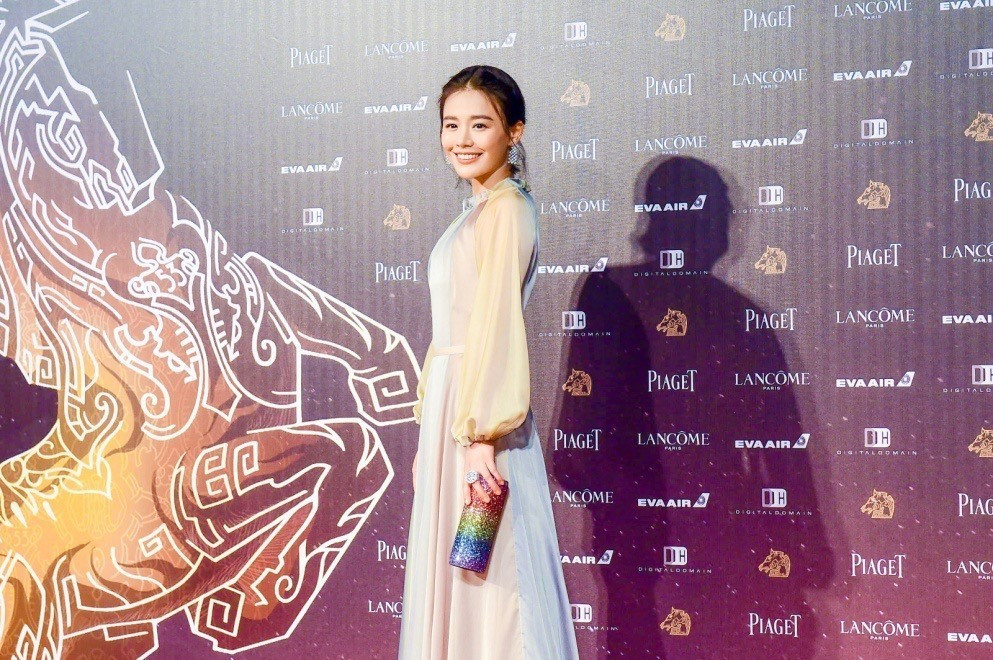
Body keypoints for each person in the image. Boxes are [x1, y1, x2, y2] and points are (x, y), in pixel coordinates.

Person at [398, 65, 579, 660]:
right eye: (451, 125)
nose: (462, 139)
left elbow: (497, 327)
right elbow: (450, 332)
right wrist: (432, 436)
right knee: (459, 579)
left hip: (481, 424)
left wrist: (481, 436)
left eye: (480, 124)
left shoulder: (508, 210)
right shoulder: (473, 212)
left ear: (514, 132)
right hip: (453, 417)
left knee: (494, 585)